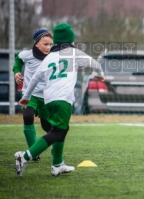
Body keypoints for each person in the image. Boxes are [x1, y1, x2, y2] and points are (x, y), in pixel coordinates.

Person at [14, 23, 105, 177]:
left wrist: (26, 97)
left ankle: (57, 164)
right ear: (71, 41)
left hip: (48, 99)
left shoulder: (50, 56)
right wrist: (100, 74)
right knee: (57, 132)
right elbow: (95, 64)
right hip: (62, 99)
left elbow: (36, 77)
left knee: (62, 129)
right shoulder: (74, 53)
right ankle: (25, 156)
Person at [13, 29, 53, 161]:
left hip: (47, 96)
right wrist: (17, 71)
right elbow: (18, 58)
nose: (48, 47)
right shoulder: (27, 54)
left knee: (47, 125)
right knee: (28, 116)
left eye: (50, 44)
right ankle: (33, 153)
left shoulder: (53, 56)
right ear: (36, 44)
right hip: (30, 95)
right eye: (45, 44)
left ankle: (56, 146)